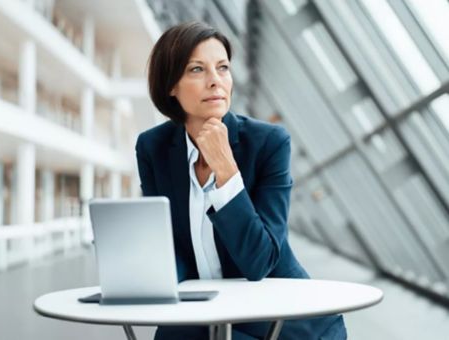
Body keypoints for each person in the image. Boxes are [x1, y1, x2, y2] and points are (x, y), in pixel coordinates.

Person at [135, 21, 347, 340]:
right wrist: (154, 280)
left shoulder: (269, 143)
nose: (215, 81)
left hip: (281, 321)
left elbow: (259, 261)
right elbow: (168, 244)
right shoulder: (153, 148)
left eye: (223, 68)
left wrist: (226, 170)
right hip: (206, 316)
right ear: (170, 85)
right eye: (197, 69)